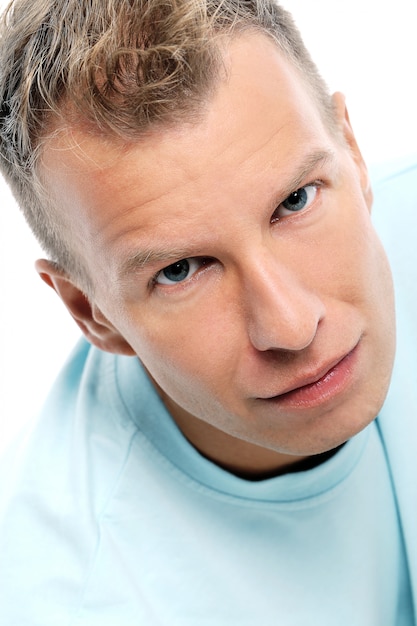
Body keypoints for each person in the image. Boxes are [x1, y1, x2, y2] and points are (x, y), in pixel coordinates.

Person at [0, 0, 415, 623]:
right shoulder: (71, 600)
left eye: (295, 201)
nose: (292, 327)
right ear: (92, 314)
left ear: (352, 150)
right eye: (179, 270)